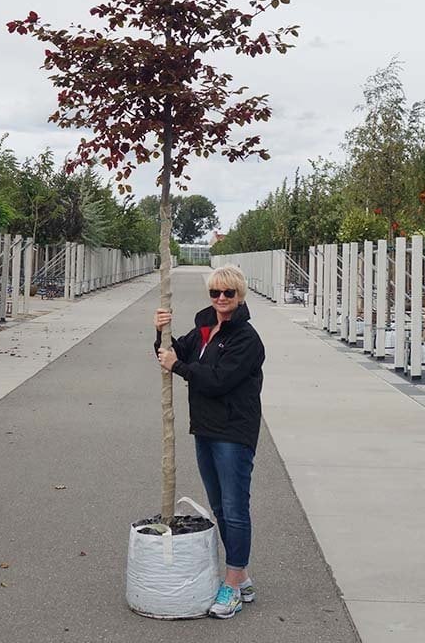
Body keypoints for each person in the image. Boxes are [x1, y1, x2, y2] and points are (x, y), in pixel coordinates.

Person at [154, 265, 265, 620]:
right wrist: (160, 332)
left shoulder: (247, 339)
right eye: (215, 292)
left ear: (240, 295)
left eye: (228, 293)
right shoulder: (204, 329)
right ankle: (242, 576)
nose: (220, 299)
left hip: (233, 433)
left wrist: (178, 367)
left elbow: (218, 380)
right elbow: (173, 353)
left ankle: (231, 585)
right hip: (205, 430)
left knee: (235, 509)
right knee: (220, 508)